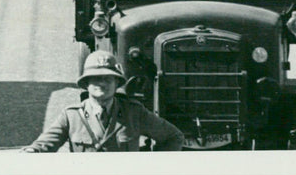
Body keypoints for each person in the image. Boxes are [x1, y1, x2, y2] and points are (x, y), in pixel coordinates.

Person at [23, 50, 184, 152]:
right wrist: (31, 152)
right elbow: (43, 145)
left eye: (108, 79)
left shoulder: (134, 112)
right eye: (95, 79)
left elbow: (174, 137)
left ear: (116, 84)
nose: (101, 84)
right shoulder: (71, 116)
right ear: (86, 84)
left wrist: (153, 169)